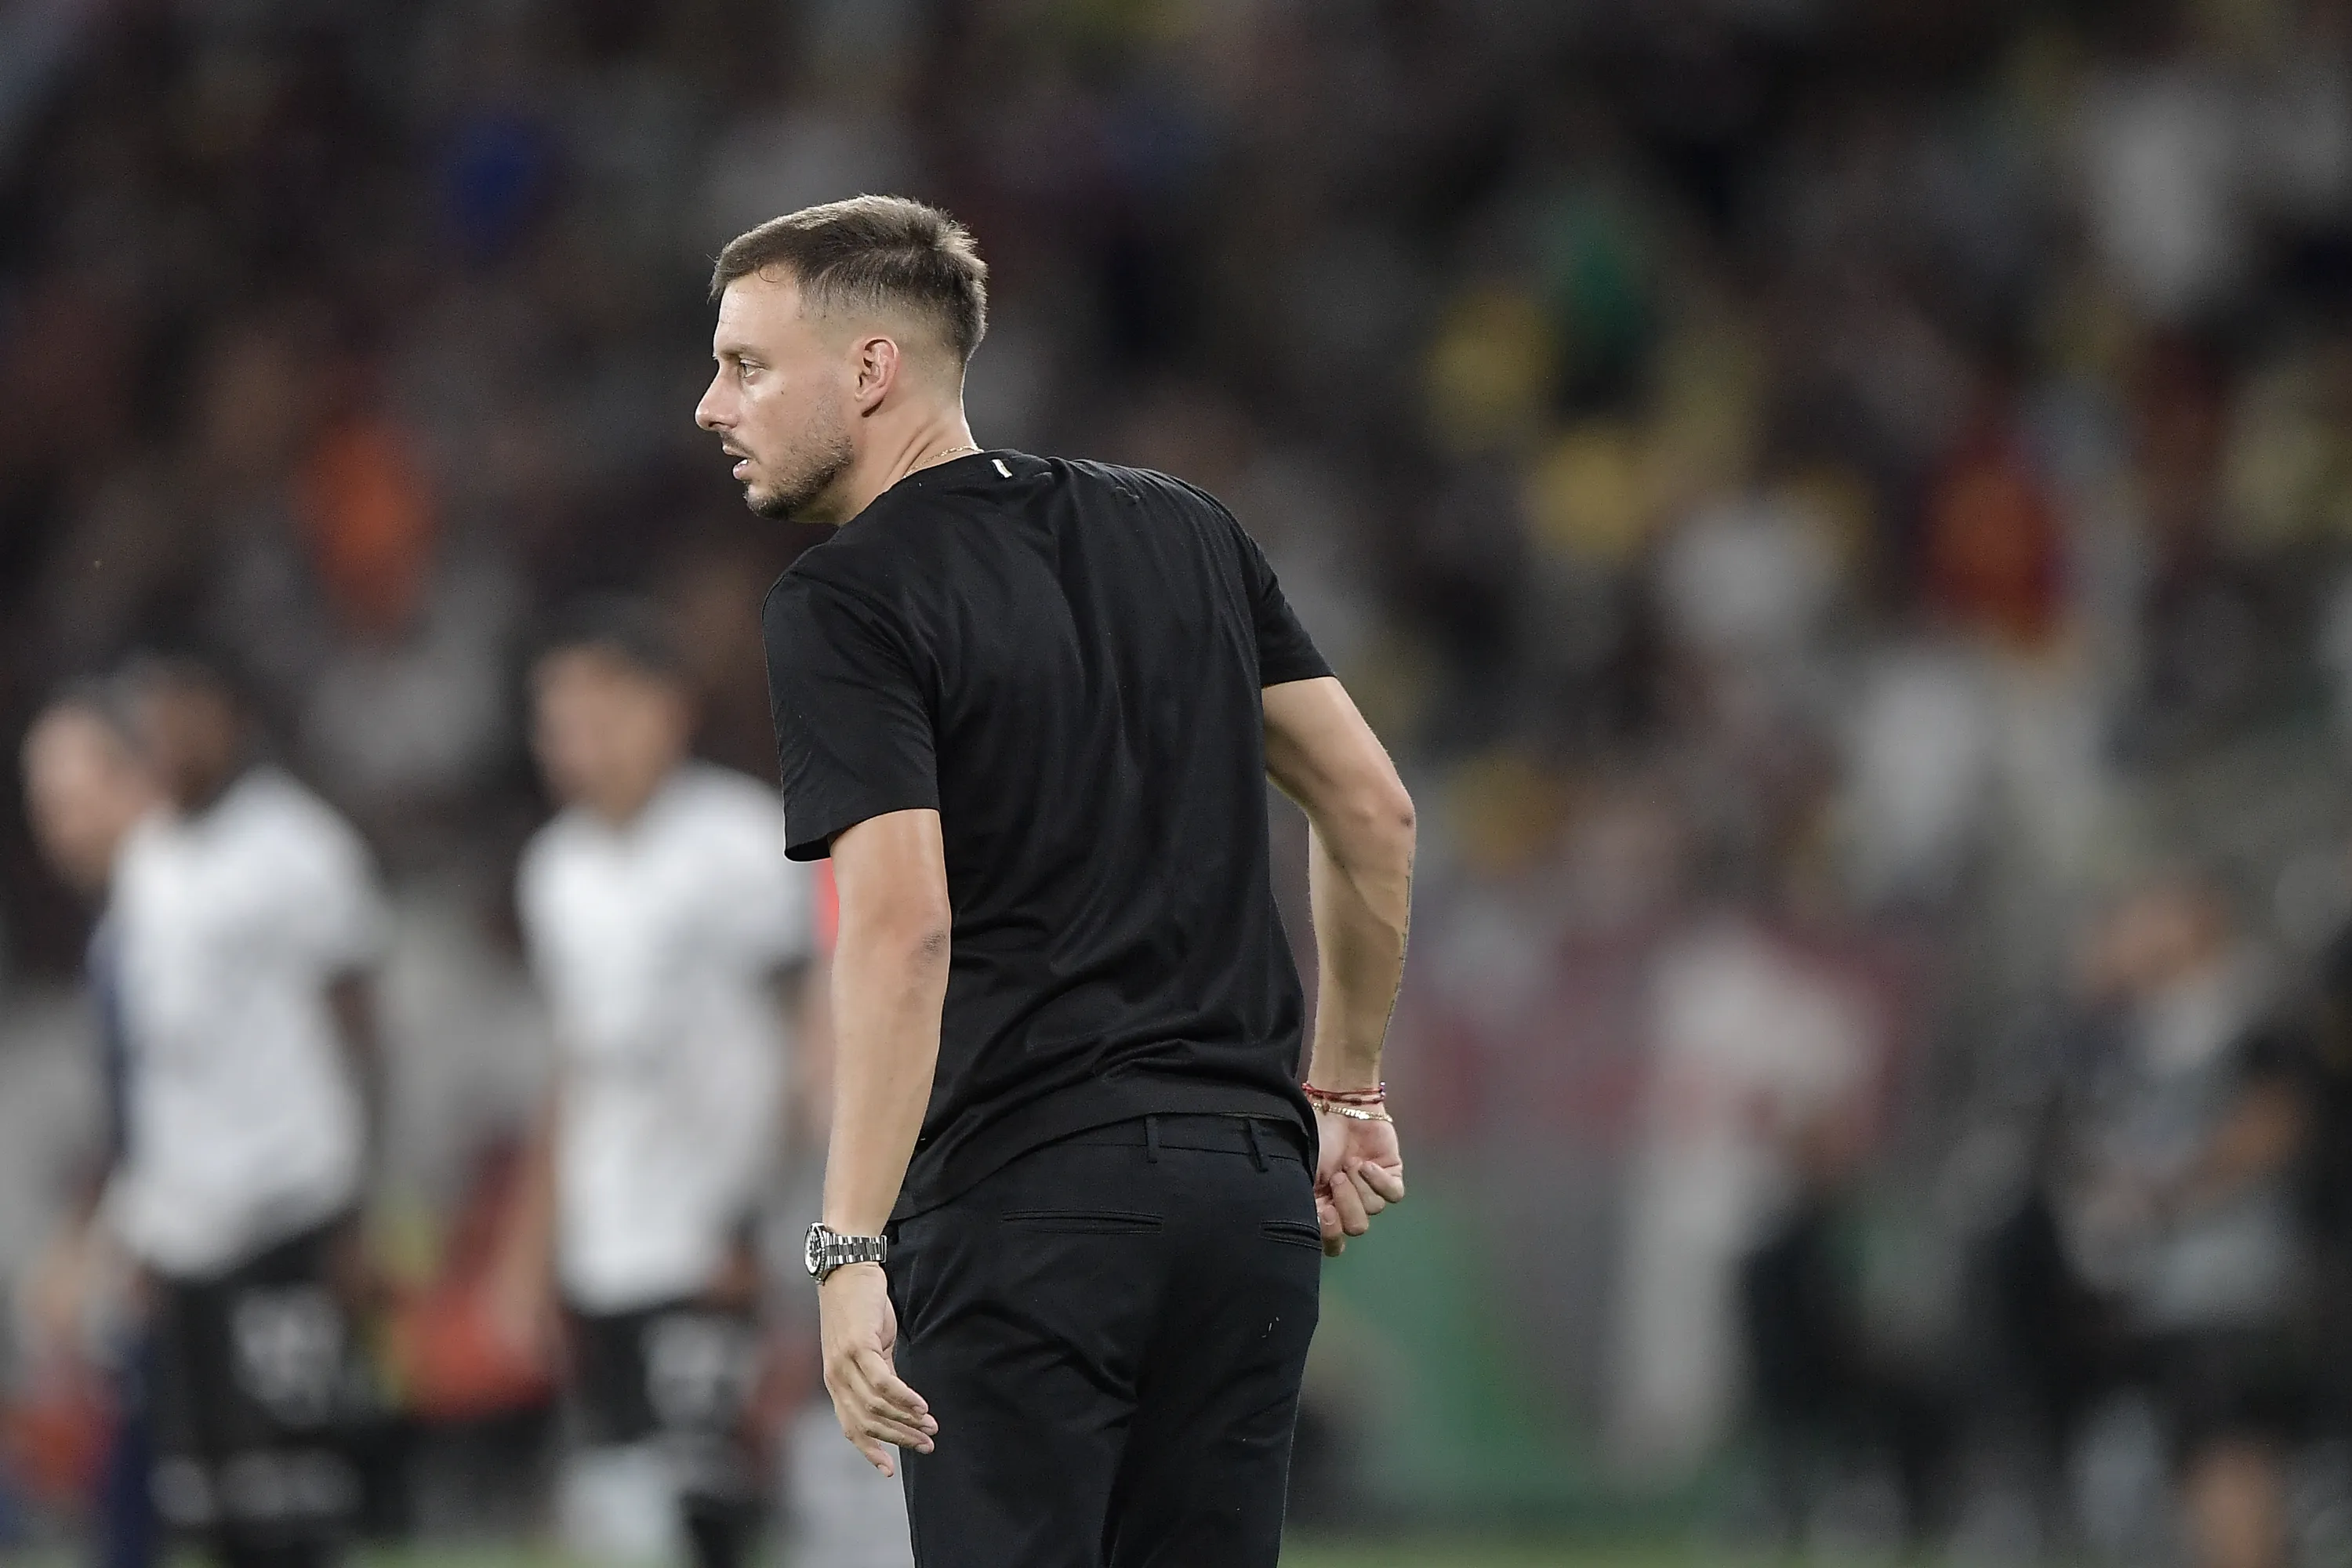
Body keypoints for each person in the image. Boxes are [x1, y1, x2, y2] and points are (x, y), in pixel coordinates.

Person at [694, 194, 1417, 1566]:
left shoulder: (845, 600)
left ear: (871, 368)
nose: (712, 407)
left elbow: (903, 928)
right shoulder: (1188, 530)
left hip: (1026, 1208)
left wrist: (847, 1249)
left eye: (747, 366)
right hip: (1246, 1206)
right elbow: (1373, 808)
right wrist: (1347, 1089)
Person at [495, 603, 818, 1568]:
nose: (576, 740)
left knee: (713, 1499)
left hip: (717, 1227)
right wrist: (530, 1244)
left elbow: (812, 1028)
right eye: (557, 721)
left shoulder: (742, 840)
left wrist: (766, 1210)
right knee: (629, 1502)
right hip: (609, 1231)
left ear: (666, 709)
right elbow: (575, 1062)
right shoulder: (553, 870)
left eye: (599, 712)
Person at [105, 653, 388, 1568]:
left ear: (231, 718)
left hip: (288, 1199)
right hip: (185, 1217)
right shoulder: (145, 855)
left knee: (294, 1489)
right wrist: (142, 1216)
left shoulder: (298, 845)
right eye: (152, 722)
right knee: (206, 1498)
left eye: (186, 716)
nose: (168, 740)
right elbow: (153, 1057)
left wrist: (356, 1208)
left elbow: (361, 1028)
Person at [20, 688, 164, 1568]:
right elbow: (132, 1112)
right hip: (165, 1226)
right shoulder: (122, 926)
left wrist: (141, 1240)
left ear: (134, 779)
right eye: (44, 809)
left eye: (73, 801)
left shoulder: (181, 909)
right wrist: (88, 1236)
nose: (58, 830)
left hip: (221, 1237)